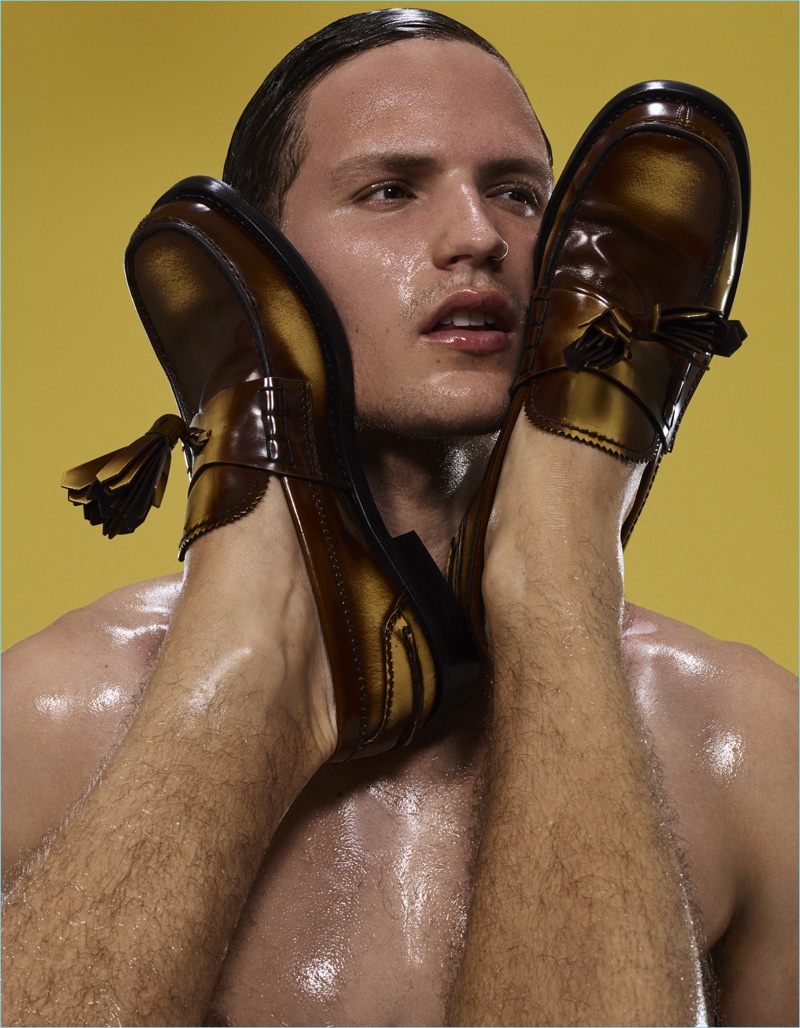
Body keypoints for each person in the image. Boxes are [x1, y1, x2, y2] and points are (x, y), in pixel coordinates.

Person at [2, 9, 796, 1026]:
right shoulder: (41, 723)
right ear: (267, 265)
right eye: (388, 190)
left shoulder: (752, 746)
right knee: (237, 675)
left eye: (517, 194)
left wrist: (552, 584)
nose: (476, 237)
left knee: (551, 591)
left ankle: (552, 545)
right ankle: (260, 638)